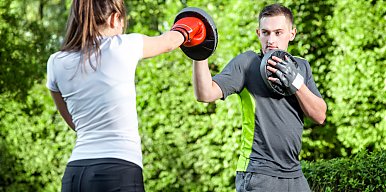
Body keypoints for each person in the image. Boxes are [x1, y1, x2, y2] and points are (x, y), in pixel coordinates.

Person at [46, 0, 207, 191]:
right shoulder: (121, 46)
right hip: (117, 171)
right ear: (115, 19)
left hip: (75, 174)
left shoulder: (56, 62)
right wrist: (197, 24)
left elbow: (73, 122)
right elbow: (170, 42)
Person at [192, 3, 327, 192]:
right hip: (259, 174)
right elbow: (205, 93)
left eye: (278, 33)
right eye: (266, 32)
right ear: (258, 33)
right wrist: (200, 54)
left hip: (295, 174)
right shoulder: (247, 63)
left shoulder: (302, 67)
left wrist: (296, 82)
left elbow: (320, 115)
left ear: (292, 34)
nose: (271, 40)